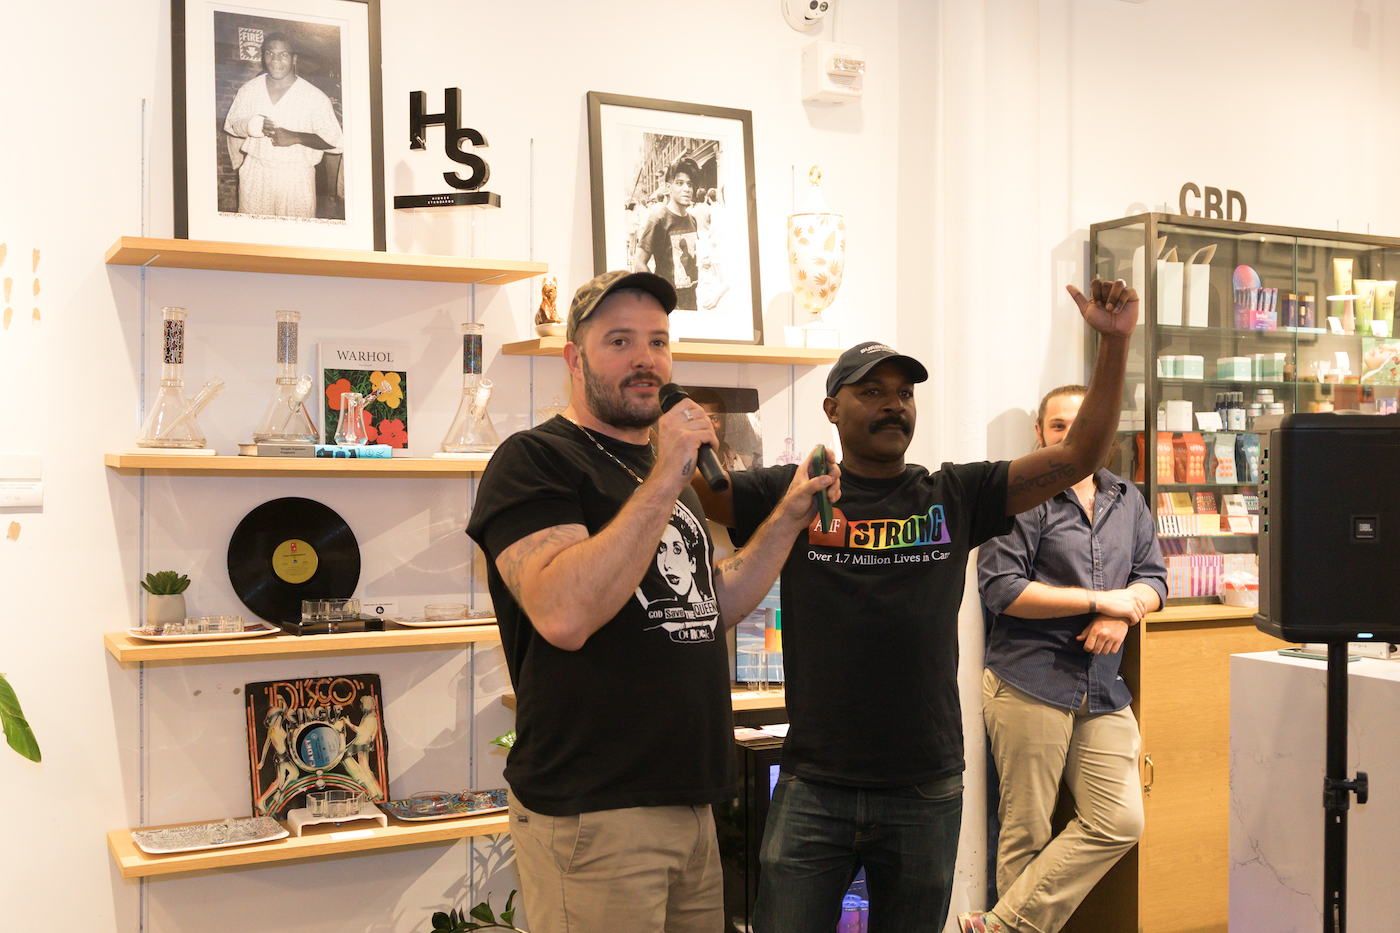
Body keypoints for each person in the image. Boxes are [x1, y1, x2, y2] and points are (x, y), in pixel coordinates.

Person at [694, 278, 1139, 933]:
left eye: (904, 393)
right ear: (831, 407)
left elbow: (1078, 455)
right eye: (872, 391)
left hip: (924, 787)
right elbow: (703, 491)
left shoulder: (954, 494)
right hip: (817, 781)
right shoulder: (796, 493)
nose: (893, 405)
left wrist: (1115, 345)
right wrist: (682, 429)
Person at [465, 269, 840, 933]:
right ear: (574, 359)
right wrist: (669, 471)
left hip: (691, 803)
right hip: (595, 812)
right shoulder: (535, 460)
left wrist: (787, 517)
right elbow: (563, 614)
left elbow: (710, 603)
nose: (645, 358)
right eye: (619, 341)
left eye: (658, 341)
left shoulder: (664, 478)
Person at [960, 386, 1165, 933]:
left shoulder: (1126, 496)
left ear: (1105, 430)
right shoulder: (1020, 497)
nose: (1072, 435)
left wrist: (1124, 614)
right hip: (1030, 681)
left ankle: (999, 926)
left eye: (1083, 424)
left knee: (1119, 821)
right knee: (1025, 831)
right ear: (1040, 433)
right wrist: (1099, 602)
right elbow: (1001, 588)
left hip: (1103, 688)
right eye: (1058, 426)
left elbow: (1153, 578)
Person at [223, 34, 343, 218]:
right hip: (256, 175)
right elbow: (231, 124)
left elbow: (335, 141)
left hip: (295, 178)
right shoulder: (249, 90)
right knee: (255, 232)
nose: (275, 60)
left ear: (294, 59)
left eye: (283, 54)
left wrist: (296, 137)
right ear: (263, 56)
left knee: (295, 233)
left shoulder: (314, 97)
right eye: (270, 53)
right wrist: (250, 125)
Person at [635, 157, 701, 311]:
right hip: (668, 305)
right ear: (668, 187)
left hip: (691, 301)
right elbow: (639, 262)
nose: (686, 188)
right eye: (679, 183)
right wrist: (658, 293)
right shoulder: (658, 219)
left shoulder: (692, 219)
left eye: (689, 184)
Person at [689, 387, 755, 471]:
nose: (709, 426)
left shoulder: (745, 464)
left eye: (715, 419)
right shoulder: (681, 465)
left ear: (724, 421)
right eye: (701, 420)